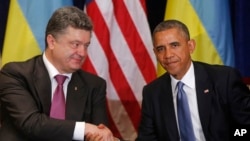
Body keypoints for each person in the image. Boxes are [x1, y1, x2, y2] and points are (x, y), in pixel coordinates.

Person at [0, 6, 117, 141]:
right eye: (75, 44)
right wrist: (85, 128)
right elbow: (32, 123)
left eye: (86, 45)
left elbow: (99, 133)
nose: (82, 53)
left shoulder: (94, 85)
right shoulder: (15, 74)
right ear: (52, 42)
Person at [136, 19, 250, 141]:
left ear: (191, 46)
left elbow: (245, 127)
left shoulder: (224, 79)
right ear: (155, 53)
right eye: (160, 49)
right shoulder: (152, 92)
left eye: (174, 45)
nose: (168, 55)